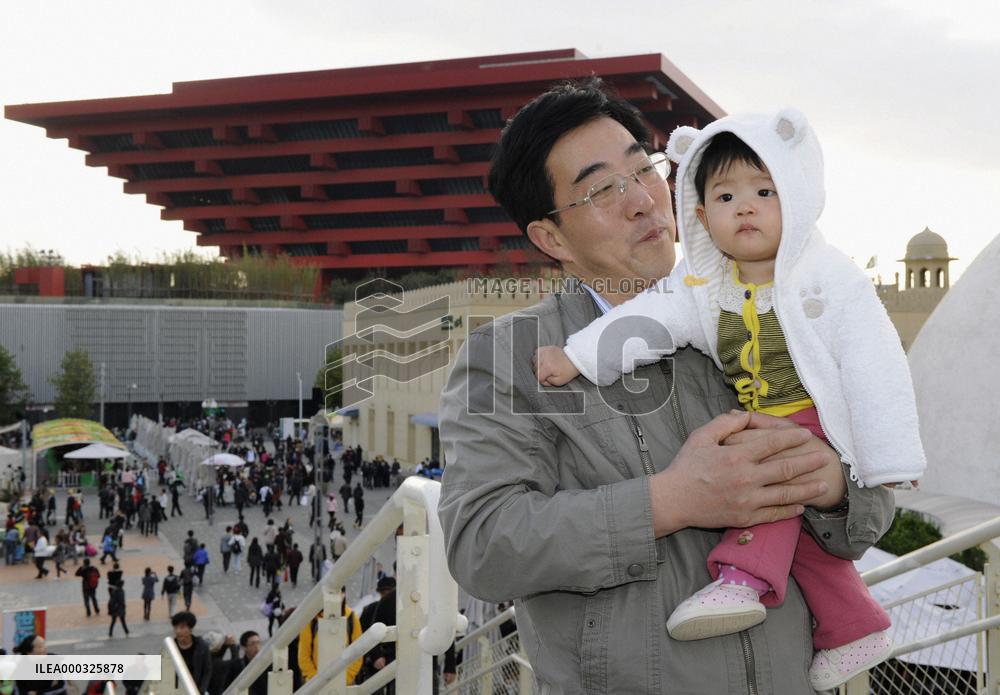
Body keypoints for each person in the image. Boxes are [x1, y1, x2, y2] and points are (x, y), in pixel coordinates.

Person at [437, 79, 895, 694]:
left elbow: (873, 511)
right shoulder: (510, 357)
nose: (642, 201)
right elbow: (482, 544)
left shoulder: (766, 311)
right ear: (550, 238)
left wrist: (834, 487)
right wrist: (671, 501)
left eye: (643, 169)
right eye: (601, 189)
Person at [297, 589, 362, 686]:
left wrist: (346, 678)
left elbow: (358, 652)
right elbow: (304, 655)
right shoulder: (311, 619)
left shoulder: (351, 618)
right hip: (315, 685)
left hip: (345, 683)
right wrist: (315, 680)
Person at [171, 612, 211, 695]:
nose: (178, 631)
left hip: (194, 690)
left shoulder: (201, 646)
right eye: (175, 627)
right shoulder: (171, 646)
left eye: (182, 627)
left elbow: (207, 670)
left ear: (190, 629)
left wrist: (201, 690)